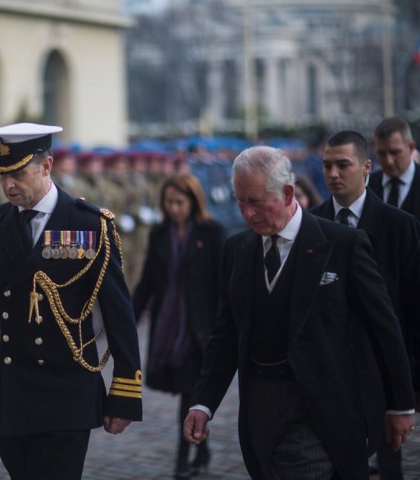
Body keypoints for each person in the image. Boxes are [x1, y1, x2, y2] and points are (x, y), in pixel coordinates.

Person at [183, 146, 415, 479]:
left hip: (320, 407)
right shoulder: (237, 250)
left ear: (288, 192)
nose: (247, 213)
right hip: (258, 406)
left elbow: (384, 327)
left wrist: (400, 404)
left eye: (257, 201)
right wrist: (203, 403)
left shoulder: (343, 244)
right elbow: (227, 335)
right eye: (240, 201)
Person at [0, 123, 143, 479]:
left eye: (17, 174)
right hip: (16, 393)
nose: (8, 185)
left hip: (68, 390)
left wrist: (124, 392)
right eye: (1, 176)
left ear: (46, 166)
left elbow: (119, 314)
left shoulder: (89, 224)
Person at [311, 130, 420, 480]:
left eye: (343, 165)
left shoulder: (400, 226)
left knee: (389, 466)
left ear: (366, 167)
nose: (333, 174)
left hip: (382, 371)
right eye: (327, 166)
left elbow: (412, 311)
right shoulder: (310, 226)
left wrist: (406, 393)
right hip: (326, 373)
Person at [132, 173, 225, 479]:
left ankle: (182, 459)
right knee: (189, 392)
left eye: (179, 202)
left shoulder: (211, 233)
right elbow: (147, 281)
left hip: (200, 329)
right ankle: (202, 449)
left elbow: (221, 284)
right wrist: (129, 317)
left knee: (190, 394)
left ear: (193, 201)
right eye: (168, 202)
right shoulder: (159, 233)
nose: (173, 208)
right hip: (169, 327)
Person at [369, 117, 420, 220]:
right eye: (382, 154)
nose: (389, 161)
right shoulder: (367, 186)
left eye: (395, 153)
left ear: (411, 147)